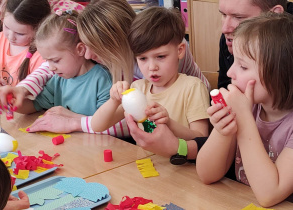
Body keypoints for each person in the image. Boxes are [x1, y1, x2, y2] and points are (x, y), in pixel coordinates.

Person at [0, 0, 210, 135]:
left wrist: (75, 121)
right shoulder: (137, 80)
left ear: (116, 44)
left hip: (187, 124)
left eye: (94, 48)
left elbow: (142, 121)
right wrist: (22, 89)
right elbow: (51, 65)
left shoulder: (154, 62)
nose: (87, 55)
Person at [196, 13, 293, 207]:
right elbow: (206, 174)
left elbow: (269, 195)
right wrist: (224, 131)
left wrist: (244, 118)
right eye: (233, 61)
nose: (230, 72)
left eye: (242, 66)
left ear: (279, 73)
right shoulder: (249, 106)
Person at [88, 6, 209, 158]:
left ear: (180, 50)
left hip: (182, 170)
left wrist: (169, 123)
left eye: (161, 57)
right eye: (143, 59)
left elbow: (201, 139)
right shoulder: (137, 89)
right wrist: (113, 101)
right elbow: (97, 125)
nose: (152, 67)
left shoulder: (192, 87)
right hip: (146, 167)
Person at [10, 10, 112, 126]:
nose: (51, 68)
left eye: (55, 60)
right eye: (47, 61)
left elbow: (105, 124)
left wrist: (70, 118)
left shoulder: (102, 80)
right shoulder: (58, 79)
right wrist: (12, 102)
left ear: (80, 50)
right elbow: (35, 105)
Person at [218, 0, 293, 89]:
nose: (224, 29)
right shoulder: (229, 38)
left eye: (238, 17)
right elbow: (224, 88)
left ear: (274, 15)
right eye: (224, 15)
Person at [0, 0, 50, 89]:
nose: (11, 37)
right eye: (7, 27)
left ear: (39, 29)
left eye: (20, 33)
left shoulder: (42, 56)